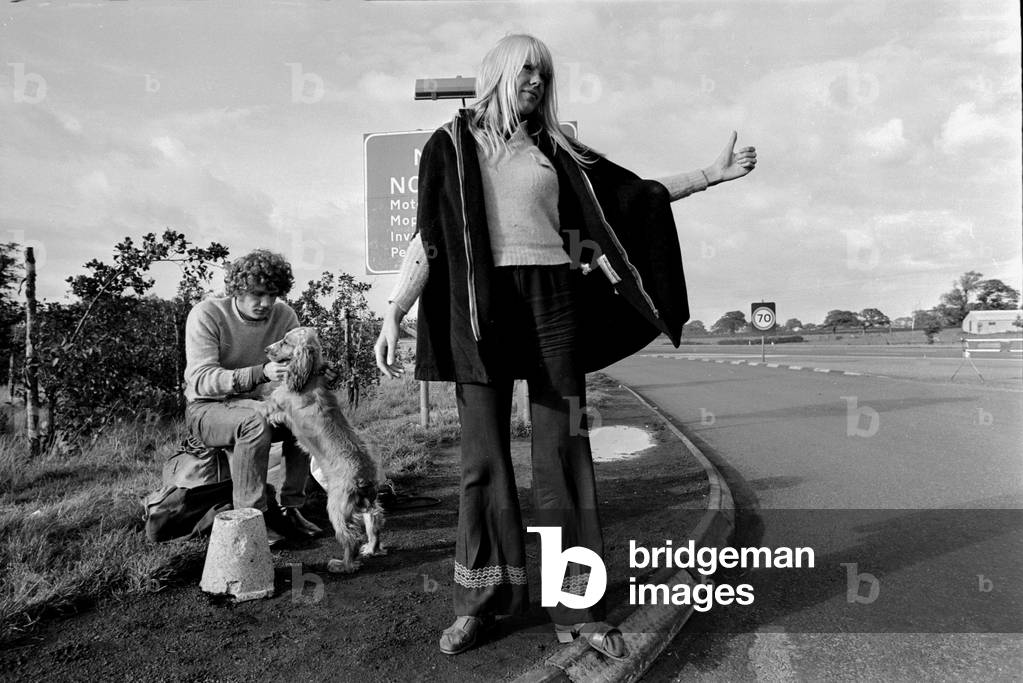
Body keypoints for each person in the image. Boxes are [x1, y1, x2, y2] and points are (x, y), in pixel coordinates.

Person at [375, 34, 756, 659]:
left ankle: (577, 604)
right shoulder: (448, 145)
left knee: (563, 454)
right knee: (484, 461)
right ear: (498, 71)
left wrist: (709, 177)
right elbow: (427, 238)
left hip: (552, 302)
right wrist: (395, 312)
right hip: (479, 309)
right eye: (527, 69)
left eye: (545, 74)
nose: (537, 81)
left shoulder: (558, 150)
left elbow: (633, 200)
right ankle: (482, 602)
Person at [183, 249, 324, 548]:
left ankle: (291, 507)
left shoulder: (284, 315)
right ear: (236, 289)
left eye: (273, 295)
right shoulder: (207, 315)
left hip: (260, 402)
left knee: (304, 414)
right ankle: (252, 517)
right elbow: (201, 380)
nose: (266, 303)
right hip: (209, 408)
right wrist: (260, 373)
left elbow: (294, 373)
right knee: (255, 422)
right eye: (257, 294)